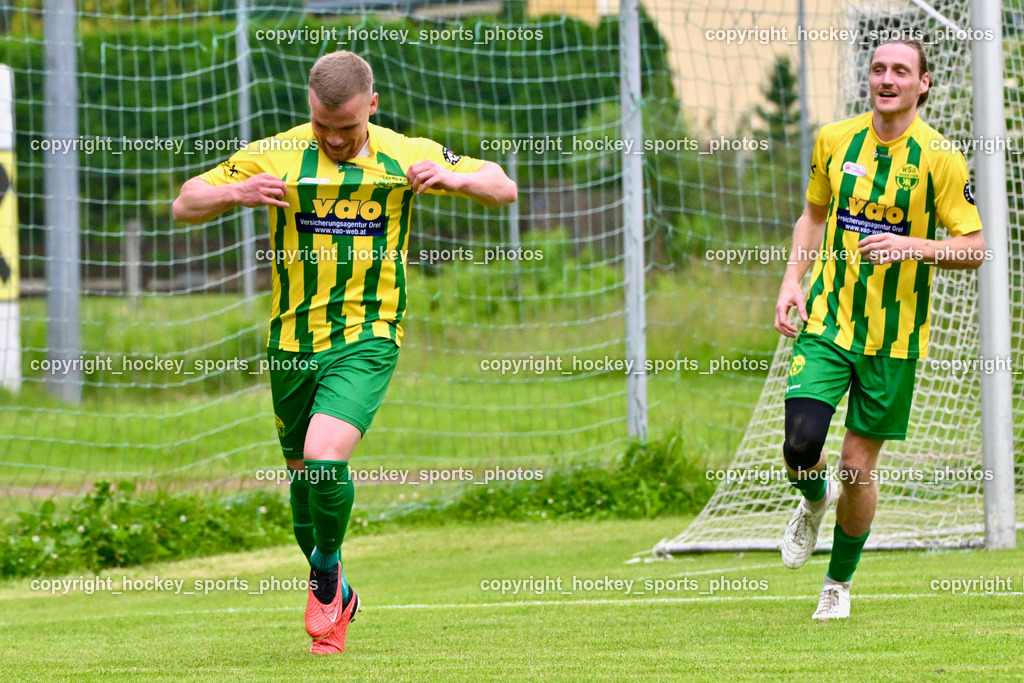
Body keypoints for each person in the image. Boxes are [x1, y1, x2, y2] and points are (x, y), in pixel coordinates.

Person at [172, 50, 516, 653]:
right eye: (322, 126)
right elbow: (186, 202)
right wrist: (239, 193)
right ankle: (337, 584)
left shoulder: (405, 152)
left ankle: (326, 572)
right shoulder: (277, 153)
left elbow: (503, 186)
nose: (333, 139)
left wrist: (456, 178)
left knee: (324, 459)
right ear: (310, 108)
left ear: (372, 108)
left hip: (368, 336)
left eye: (347, 128)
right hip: (290, 344)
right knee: (304, 489)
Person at [773, 39, 984, 621]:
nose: (887, 79)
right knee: (800, 445)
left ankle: (838, 584)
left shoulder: (941, 158)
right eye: (878, 69)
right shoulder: (834, 140)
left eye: (901, 71)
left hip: (894, 340)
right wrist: (793, 281)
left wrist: (911, 247)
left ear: (923, 84)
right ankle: (814, 502)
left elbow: (976, 249)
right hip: (827, 322)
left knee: (856, 468)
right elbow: (813, 217)